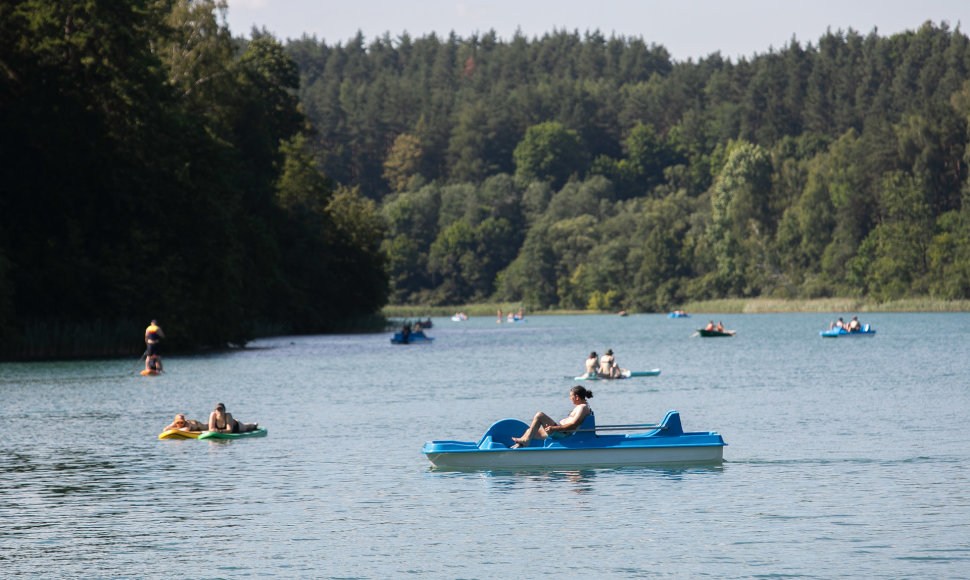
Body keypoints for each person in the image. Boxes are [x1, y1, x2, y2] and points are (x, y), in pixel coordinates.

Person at [511, 386, 594, 449]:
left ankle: (525, 442)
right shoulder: (580, 407)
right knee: (529, 431)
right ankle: (517, 448)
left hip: (563, 433)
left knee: (540, 415)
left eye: (570, 396)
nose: (570, 398)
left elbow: (573, 425)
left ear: (576, 397)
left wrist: (554, 428)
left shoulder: (583, 407)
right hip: (560, 431)